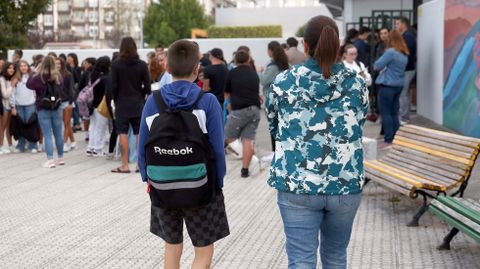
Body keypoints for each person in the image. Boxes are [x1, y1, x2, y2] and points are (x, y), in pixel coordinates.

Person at [266, 15, 369, 268]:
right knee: (336, 257)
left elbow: (274, 126)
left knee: (301, 260)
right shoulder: (356, 83)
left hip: (296, 183)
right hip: (344, 183)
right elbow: (359, 121)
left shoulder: (284, 82)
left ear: (304, 44)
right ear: (338, 45)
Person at [138, 40, 229, 269]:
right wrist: (217, 183)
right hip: (201, 186)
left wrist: (148, 180)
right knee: (203, 248)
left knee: (172, 246)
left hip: (162, 185)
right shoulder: (207, 102)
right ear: (197, 69)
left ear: (167, 68)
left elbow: (143, 147)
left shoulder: (153, 102)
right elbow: (217, 149)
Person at [111, 37, 151, 173]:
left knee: (122, 133)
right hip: (138, 103)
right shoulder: (142, 64)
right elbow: (147, 86)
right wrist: (143, 95)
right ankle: (140, 165)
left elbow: (112, 86)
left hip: (121, 104)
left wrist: (114, 99)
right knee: (140, 133)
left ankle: (124, 165)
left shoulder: (116, 65)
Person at [224, 50, 262, 178]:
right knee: (247, 139)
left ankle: (252, 159)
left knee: (227, 136)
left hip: (240, 109)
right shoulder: (254, 73)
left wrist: (229, 104)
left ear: (235, 61)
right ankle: (244, 170)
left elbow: (227, 92)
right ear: (248, 60)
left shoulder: (232, 73)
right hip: (255, 110)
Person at [27, 56, 65, 168]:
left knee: (47, 134)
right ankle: (61, 158)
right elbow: (61, 87)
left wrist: (34, 71)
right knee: (58, 133)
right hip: (57, 106)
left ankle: (50, 159)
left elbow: (29, 85)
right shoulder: (58, 76)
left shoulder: (39, 77)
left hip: (42, 107)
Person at [374, 30, 409, 149]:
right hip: (398, 85)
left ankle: (388, 140)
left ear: (390, 39)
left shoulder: (390, 52)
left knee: (386, 113)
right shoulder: (404, 53)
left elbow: (377, 65)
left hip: (387, 85)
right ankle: (395, 138)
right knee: (394, 112)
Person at [259, 41, 289, 160]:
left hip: (272, 100)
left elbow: (264, 81)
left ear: (270, 50)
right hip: (285, 99)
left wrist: (260, 72)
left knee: (273, 125)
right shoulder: (286, 64)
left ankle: (275, 152)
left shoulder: (272, 66)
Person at [10, 60, 38, 153]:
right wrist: (13, 106)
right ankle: (21, 145)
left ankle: (33, 145)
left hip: (30, 105)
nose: (23, 67)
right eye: (21, 66)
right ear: (18, 68)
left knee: (31, 125)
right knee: (20, 126)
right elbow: (12, 94)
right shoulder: (15, 79)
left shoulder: (32, 77)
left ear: (28, 67)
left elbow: (36, 92)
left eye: (25, 65)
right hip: (19, 106)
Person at [87, 56, 111, 157]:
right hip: (101, 106)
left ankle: (91, 147)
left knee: (93, 127)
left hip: (92, 105)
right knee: (100, 128)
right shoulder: (106, 78)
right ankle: (98, 149)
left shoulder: (94, 76)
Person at [395, 16, 417, 122]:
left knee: (403, 93)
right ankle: (405, 116)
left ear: (404, 24)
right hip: (408, 68)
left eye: (398, 23)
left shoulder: (407, 36)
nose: (396, 26)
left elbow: (407, 54)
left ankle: (403, 117)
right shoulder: (408, 35)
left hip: (406, 69)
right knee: (405, 93)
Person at [55, 57, 76, 152]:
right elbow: (51, 92)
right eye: (55, 63)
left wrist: (71, 103)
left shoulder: (68, 75)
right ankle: (73, 141)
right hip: (56, 103)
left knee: (66, 123)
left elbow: (71, 90)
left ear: (62, 64)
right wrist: (52, 100)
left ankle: (64, 144)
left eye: (59, 63)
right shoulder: (52, 75)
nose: (57, 65)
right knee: (63, 123)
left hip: (67, 102)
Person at [78, 57, 96, 136]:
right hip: (97, 97)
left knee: (86, 116)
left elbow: (80, 85)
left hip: (87, 97)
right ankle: (93, 134)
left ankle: (87, 134)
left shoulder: (86, 73)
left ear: (90, 64)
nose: (84, 64)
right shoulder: (100, 73)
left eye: (85, 63)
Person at [0, 62, 16, 154]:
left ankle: (10, 145)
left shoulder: (10, 79)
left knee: (8, 127)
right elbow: (5, 94)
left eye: (13, 68)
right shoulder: (2, 79)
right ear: (5, 69)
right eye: (9, 68)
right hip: (4, 106)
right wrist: (12, 85)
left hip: (10, 106)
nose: (12, 70)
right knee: (2, 127)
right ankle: (1, 146)